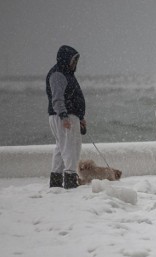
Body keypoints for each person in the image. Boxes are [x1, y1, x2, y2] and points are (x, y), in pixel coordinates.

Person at [46, 45, 87, 189]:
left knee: (61, 148)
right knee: (71, 148)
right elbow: (57, 99)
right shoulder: (58, 75)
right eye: (73, 60)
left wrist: (80, 117)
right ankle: (71, 181)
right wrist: (64, 116)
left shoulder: (66, 73)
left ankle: (56, 181)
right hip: (63, 116)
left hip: (68, 116)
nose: (75, 64)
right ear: (65, 59)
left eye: (76, 61)